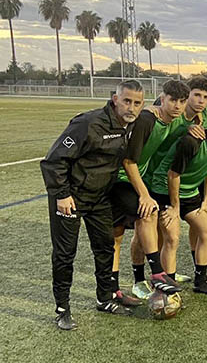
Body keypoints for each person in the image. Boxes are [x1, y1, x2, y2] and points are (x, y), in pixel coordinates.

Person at [41, 80, 146, 330]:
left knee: (105, 247)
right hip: (71, 197)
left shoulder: (130, 126)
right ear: (115, 99)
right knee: (65, 255)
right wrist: (62, 194)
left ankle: (105, 298)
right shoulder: (87, 123)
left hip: (99, 198)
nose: (131, 107)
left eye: (137, 103)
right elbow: (53, 161)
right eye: (127, 101)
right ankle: (62, 309)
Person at [110, 80, 190, 302]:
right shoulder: (147, 119)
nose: (177, 106)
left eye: (182, 101)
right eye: (172, 100)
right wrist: (144, 194)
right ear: (161, 99)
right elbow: (128, 161)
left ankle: (117, 288)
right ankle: (155, 274)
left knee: (119, 234)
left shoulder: (174, 122)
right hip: (118, 179)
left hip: (135, 180)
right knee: (142, 216)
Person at [149, 105, 207, 296]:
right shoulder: (192, 142)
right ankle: (167, 286)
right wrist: (174, 206)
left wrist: (205, 201)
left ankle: (200, 280)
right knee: (172, 238)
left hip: (189, 192)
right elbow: (173, 175)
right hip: (164, 189)